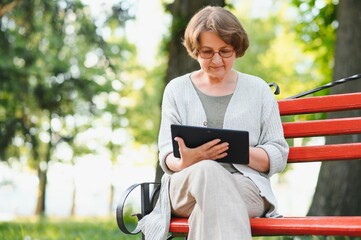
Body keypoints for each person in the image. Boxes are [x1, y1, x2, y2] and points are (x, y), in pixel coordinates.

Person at [139, 6, 289, 240]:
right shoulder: (177, 90)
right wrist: (185, 161)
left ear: (237, 49)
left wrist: (240, 152)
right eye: (207, 52)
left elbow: (278, 152)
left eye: (225, 51)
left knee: (210, 207)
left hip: (246, 187)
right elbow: (167, 151)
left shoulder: (258, 89)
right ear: (195, 50)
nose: (217, 60)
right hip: (185, 186)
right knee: (207, 170)